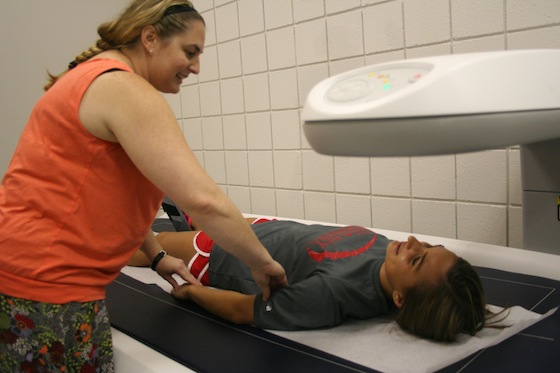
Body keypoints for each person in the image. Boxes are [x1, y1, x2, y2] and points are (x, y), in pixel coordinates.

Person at [0, 1, 287, 371]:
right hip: (49, 289)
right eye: (190, 52)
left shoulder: (96, 79)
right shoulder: (124, 88)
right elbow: (204, 202)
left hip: (25, 277)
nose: (196, 67)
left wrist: (156, 256)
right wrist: (262, 264)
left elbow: (99, 196)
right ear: (150, 38)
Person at [129, 218, 487, 342]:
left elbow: (243, 310)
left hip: (220, 254)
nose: (410, 242)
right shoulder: (388, 257)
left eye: (418, 258)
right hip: (261, 229)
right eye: (425, 245)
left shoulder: (331, 294)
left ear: (400, 299)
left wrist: (192, 293)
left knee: (125, 244)